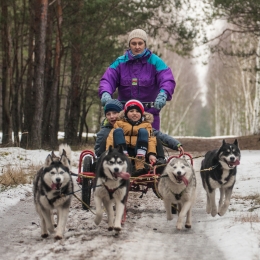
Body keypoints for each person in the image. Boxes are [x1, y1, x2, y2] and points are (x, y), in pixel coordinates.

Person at [99, 28, 176, 130]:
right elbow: (108, 80)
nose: (137, 47)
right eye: (133, 43)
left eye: (140, 43)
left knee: (153, 143)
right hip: (124, 114)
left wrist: (164, 93)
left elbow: (167, 79)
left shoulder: (156, 62)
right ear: (129, 45)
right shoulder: (120, 62)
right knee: (117, 142)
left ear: (145, 44)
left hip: (149, 114)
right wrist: (105, 93)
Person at [94, 99, 184, 160]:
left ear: (121, 113)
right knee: (107, 135)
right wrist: (104, 156)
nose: (112, 116)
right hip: (117, 155)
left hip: (139, 153)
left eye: (115, 113)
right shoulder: (107, 130)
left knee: (155, 138)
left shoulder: (142, 124)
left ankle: (159, 160)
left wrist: (175, 144)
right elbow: (101, 146)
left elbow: (159, 136)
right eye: (108, 114)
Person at [106, 99, 157, 176]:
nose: (134, 113)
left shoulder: (146, 125)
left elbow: (151, 140)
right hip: (123, 151)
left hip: (139, 150)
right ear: (126, 113)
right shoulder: (119, 124)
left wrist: (151, 154)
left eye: (137, 111)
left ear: (141, 114)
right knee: (117, 131)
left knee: (143, 132)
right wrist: (108, 153)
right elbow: (111, 139)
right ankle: (124, 158)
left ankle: (140, 161)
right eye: (131, 111)